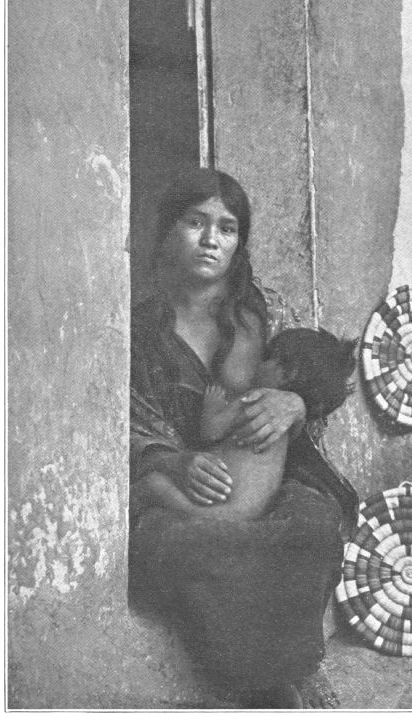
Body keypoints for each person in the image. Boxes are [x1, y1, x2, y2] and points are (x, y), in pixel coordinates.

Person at [128, 168, 358, 709]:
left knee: (313, 520)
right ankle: (264, 685)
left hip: (262, 476)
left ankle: (289, 675)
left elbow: (323, 370)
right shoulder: (133, 328)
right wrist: (174, 459)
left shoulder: (264, 312)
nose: (212, 240)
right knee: (195, 545)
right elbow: (112, 420)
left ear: (239, 241)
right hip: (174, 492)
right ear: (167, 229)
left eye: (227, 228)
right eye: (195, 222)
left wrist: (297, 403)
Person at [142, 327, 357, 521]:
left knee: (154, 484)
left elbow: (210, 431)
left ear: (286, 373)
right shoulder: (291, 426)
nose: (259, 365)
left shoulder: (260, 400)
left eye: (267, 358)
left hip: (223, 503)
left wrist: (211, 405)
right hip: (253, 509)